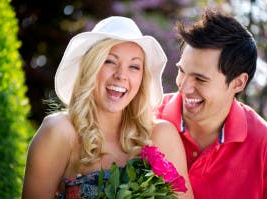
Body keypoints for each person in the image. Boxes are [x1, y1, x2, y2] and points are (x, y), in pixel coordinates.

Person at [22, 16, 193, 199]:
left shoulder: (161, 135)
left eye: (134, 66)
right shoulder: (59, 131)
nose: (121, 75)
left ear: (142, 78)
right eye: (110, 61)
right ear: (91, 67)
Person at [156, 9, 267, 199]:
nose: (184, 87)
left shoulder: (264, 143)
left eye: (200, 79)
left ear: (238, 83)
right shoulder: (147, 116)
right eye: (182, 71)